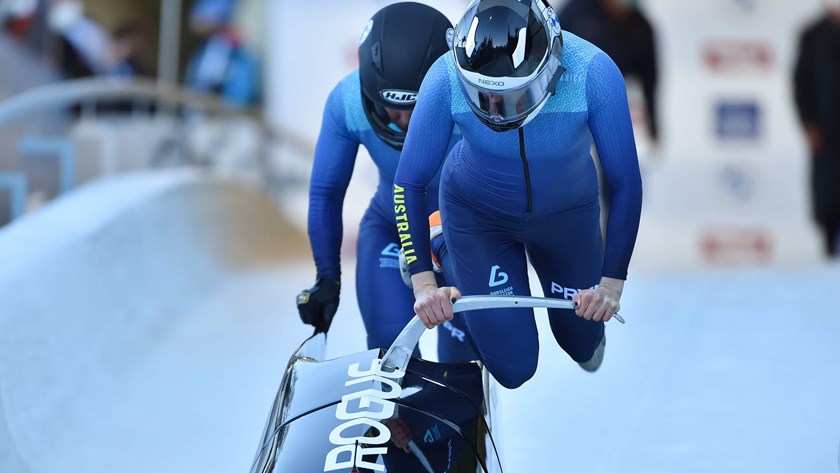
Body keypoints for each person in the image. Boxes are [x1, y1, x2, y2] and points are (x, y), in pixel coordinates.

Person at [393, 0, 643, 389]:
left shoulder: (594, 72)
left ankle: (582, 337)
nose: (497, 111)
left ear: (551, 69)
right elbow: (408, 181)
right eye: (483, 96)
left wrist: (611, 284)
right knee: (514, 368)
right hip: (478, 218)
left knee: (581, 340)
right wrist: (424, 283)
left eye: (514, 97)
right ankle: (447, 247)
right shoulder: (443, 77)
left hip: (567, 217)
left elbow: (625, 181)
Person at [296, 2, 475, 362]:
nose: (407, 122)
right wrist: (327, 278)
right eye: (394, 110)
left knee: (463, 365)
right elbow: (326, 194)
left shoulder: (475, 97)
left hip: (463, 234)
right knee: (389, 351)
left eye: (420, 106)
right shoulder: (346, 102)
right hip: (391, 228)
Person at [558, 0, 659, 144]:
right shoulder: (576, 13)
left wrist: (653, 123)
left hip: (612, 100)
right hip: (572, 97)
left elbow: (650, 78)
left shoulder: (641, 28)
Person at [793, 0, 840, 258]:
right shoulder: (812, 35)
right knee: (828, 191)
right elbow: (801, 83)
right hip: (826, 129)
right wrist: (808, 122)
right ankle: (828, 246)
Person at [185, 0, 257, 107]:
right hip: (215, 53)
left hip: (238, 57)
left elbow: (246, 33)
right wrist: (218, 27)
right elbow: (195, 23)